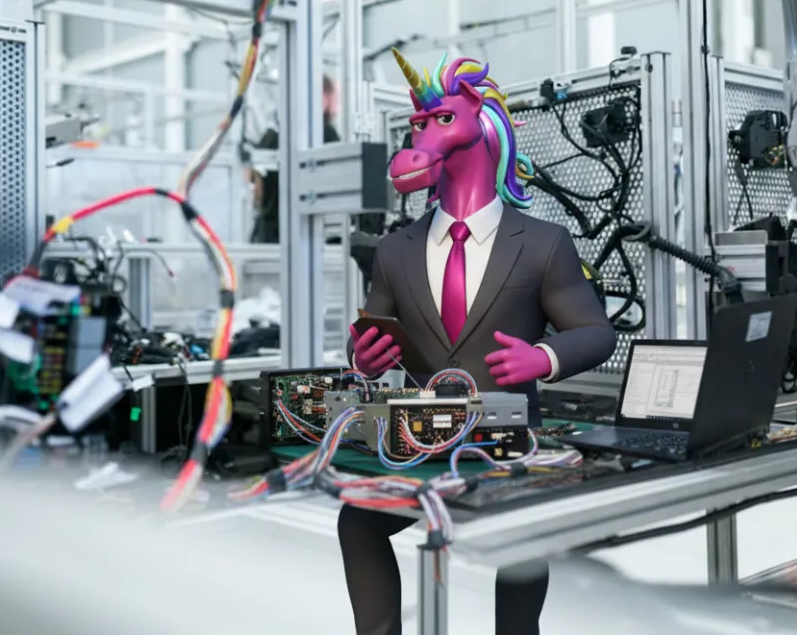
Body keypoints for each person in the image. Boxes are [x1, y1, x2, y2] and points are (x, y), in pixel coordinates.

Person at [341, 50, 616, 635]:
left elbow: (595, 333)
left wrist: (542, 357)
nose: (422, 134)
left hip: (511, 443)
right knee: (358, 519)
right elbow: (371, 336)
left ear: (480, 124)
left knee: (519, 539)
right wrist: (362, 361)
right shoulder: (395, 250)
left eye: (439, 120)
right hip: (421, 439)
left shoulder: (543, 243)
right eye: (417, 124)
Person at [249, 74, 342, 244]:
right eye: (334, 96)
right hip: (305, 236)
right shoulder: (325, 132)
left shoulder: (271, 135)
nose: (337, 104)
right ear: (323, 97)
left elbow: (254, 187)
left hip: (266, 235)